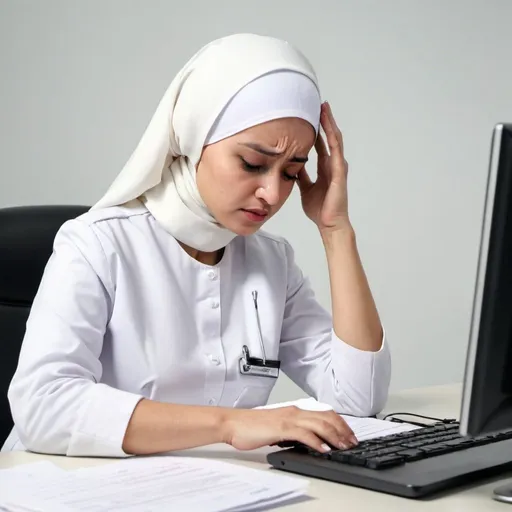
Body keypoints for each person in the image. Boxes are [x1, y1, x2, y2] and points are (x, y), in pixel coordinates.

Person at [2, 33, 391, 458]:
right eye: (253, 164)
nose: (273, 193)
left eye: (292, 172)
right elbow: (43, 406)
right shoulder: (97, 245)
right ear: (193, 137)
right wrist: (230, 425)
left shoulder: (272, 262)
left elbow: (358, 399)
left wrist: (336, 231)